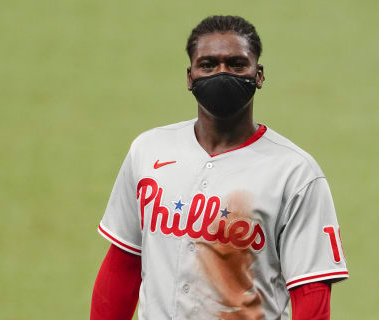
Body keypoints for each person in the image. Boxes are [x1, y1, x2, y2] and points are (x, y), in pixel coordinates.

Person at [91, 15, 348, 320]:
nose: (222, 73)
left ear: (259, 74)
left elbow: (311, 293)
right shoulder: (148, 151)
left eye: (237, 64)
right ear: (190, 77)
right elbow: (124, 265)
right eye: (208, 64)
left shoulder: (295, 173)